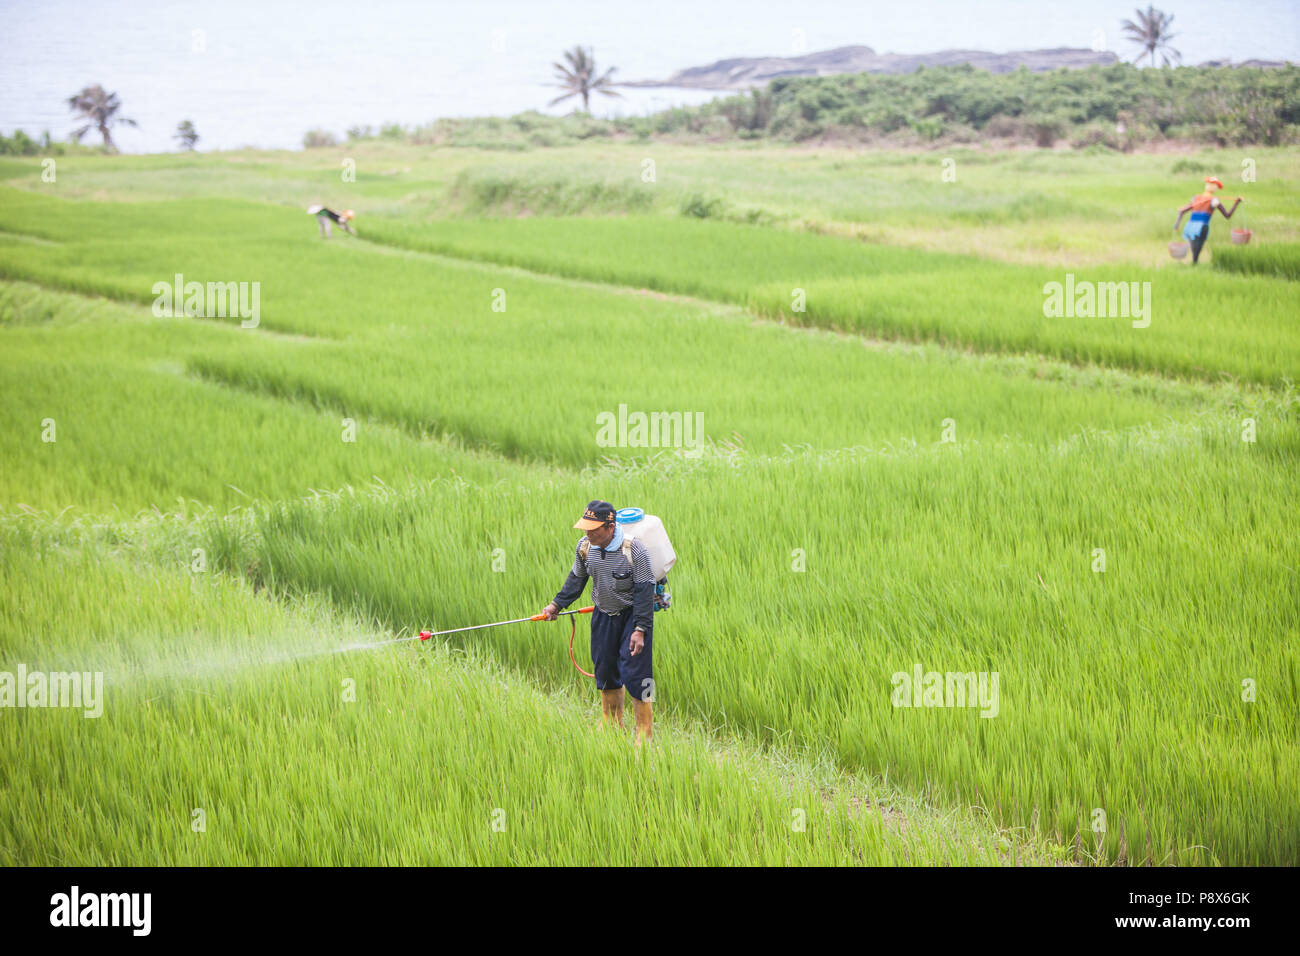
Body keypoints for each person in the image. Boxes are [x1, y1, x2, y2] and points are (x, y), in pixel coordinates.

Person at [541, 500, 655, 745]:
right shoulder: (584, 547)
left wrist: (641, 629)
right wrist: (556, 605)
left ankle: (644, 733)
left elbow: (646, 590)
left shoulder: (634, 550)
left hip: (632, 616)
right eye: (585, 528)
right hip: (603, 614)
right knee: (604, 668)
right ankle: (611, 722)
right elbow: (576, 579)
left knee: (639, 674)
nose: (588, 533)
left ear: (610, 526)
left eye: (594, 529)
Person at [1174, 177, 1241, 265]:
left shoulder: (1196, 198)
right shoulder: (1214, 200)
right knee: (1197, 249)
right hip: (1202, 226)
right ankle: (1194, 265)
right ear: (1214, 187)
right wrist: (1237, 203)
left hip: (1190, 226)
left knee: (1194, 248)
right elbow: (1227, 216)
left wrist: (1177, 224)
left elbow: (1182, 211)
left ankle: (1193, 265)